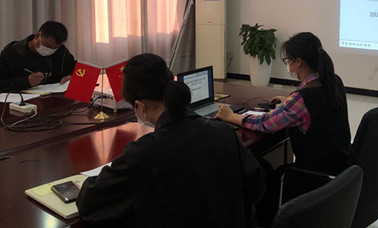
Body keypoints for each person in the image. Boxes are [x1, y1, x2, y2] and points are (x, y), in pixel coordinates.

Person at [76, 53, 265, 228]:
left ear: (139, 106)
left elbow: (89, 202)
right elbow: (256, 187)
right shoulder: (223, 132)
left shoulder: (145, 152)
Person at [216, 32, 351, 224]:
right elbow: (316, 108)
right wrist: (288, 102)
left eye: (287, 60)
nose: (287, 65)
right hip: (338, 170)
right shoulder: (333, 81)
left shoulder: (302, 98)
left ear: (298, 62)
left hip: (312, 176)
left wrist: (230, 116)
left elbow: (264, 124)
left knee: (265, 174)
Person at [0, 21, 76, 93]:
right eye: (48, 46)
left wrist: (71, 76)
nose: (50, 50)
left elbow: (77, 69)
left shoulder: (61, 51)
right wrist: (26, 81)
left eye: (55, 48)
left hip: (54, 98)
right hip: (22, 99)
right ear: (37, 36)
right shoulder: (12, 53)